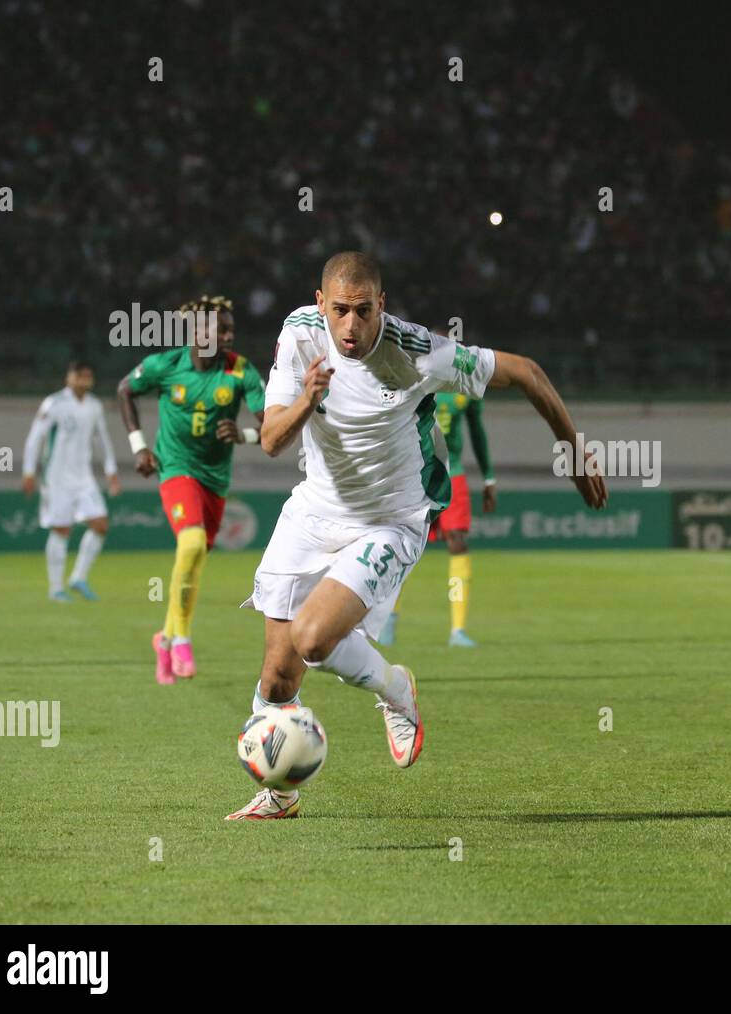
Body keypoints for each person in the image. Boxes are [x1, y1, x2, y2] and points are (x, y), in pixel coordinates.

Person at [226, 252, 606, 820]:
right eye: (338, 311)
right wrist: (308, 397)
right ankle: (280, 794)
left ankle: (396, 689)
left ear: (382, 303)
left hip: (391, 519)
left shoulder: (419, 352)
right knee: (278, 678)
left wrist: (572, 448)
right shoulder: (300, 334)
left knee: (311, 641)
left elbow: (527, 371)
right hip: (312, 510)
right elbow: (273, 441)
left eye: (362, 311)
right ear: (320, 302)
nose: (349, 327)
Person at [117, 295, 266, 684]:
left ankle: (164, 638)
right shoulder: (166, 365)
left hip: (215, 479)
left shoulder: (240, 370)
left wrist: (245, 434)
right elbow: (124, 391)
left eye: (232, 328)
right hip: (175, 467)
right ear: (199, 333)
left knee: (195, 558)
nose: (231, 335)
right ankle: (182, 637)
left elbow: (273, 426)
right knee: (192, 544)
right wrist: (139, 447)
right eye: (224, 328)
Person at [374, 379, 497, 648]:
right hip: (415, 475)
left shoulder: (464, 389)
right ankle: (389, 620)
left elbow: (477, 432)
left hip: (453, 475)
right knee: (402, 545)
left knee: (457, 541)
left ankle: (458, 630)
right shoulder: (412, 379)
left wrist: (488, 478)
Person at [21, 361, 119, 601]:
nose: (83, 379)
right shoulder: (54, 404)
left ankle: (78, 577)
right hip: (56, 478)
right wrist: (28, 472)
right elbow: (35, 438)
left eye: (88, 375)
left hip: (84, 477)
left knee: (100, 524)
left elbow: (102, 439)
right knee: (62, 529)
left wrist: (111, 470)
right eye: (79, 375)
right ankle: (56, 588)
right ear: (69, 378)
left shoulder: (95, 405)